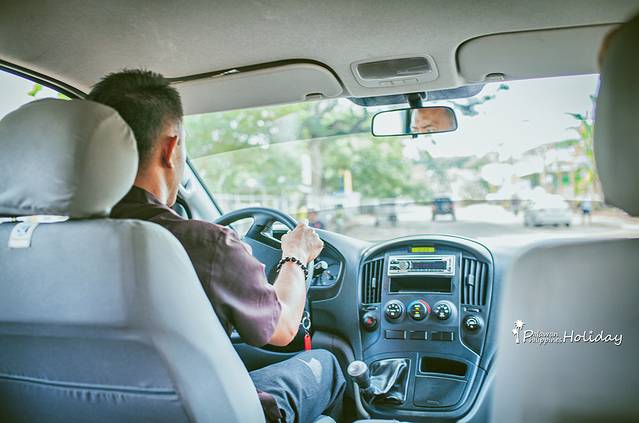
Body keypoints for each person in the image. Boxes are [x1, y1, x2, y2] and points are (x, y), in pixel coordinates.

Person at [87, 69, 345, 423]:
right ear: (170, 148)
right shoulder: (204, 245)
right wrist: (295, 257)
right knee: (326, 362)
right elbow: (284, 329)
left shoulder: (26, 248)